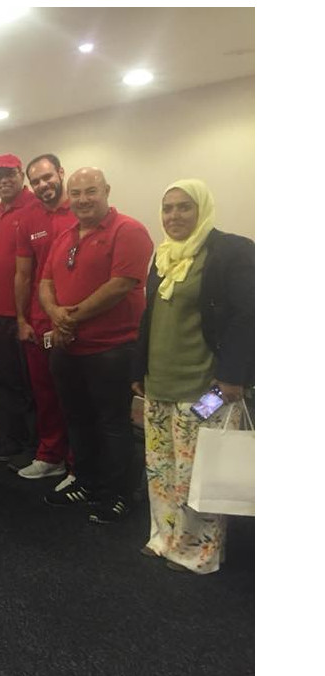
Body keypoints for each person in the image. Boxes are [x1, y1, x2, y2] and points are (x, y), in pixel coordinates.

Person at [132, 180, 254, 573]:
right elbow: (150, 317)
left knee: (198, 473)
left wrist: (233, 375)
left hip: (206, 388)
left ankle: (198, 552)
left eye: (184, 207)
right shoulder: (164, 255)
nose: (174, 215)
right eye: (167, 208)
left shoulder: (231, 251)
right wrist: (139, 370)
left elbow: (248, 316)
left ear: (202, 208)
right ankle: (165, 537)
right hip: (160, 383)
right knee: (161, 469)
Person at [39, 167, 153, 523]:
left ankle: (119, 494)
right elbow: (45, 282)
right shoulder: (66, 235)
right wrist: (56, 313)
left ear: (106, 190)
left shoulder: (128, 230)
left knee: (113, 424)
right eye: (76, 193)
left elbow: (121, 285)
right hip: (68, 348)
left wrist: (70, 318)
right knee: (77, 420)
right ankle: (86, 482)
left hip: (112, 349)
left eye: (91, 191)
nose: (83, 199)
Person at [13, 154, 76, 482]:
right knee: (45, 392)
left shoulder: (81, 209)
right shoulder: (28, 217)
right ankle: (50, 455)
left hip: (76, 319)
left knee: (75, 394)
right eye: (36, 181)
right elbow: (23, 274)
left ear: (61, 173)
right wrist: (22, 319)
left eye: (47, 177)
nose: (43, 185)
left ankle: (78, 463)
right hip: (39, 321)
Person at [0, 153, 42, 463]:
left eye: (9, 174)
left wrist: (26, 316)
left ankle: (36, 446)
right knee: (7, 381)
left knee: (31, 384)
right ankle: (13, 440)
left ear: (21, 175)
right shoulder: (1, 210)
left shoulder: (34, 207)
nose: (3, 181)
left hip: (26, 315)